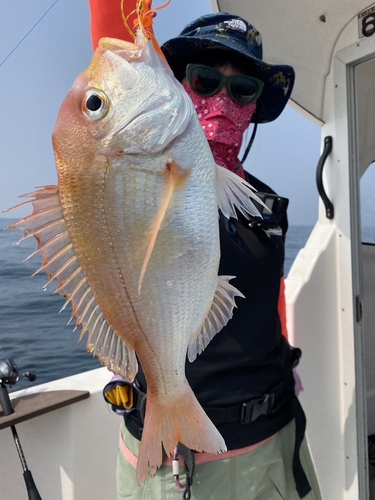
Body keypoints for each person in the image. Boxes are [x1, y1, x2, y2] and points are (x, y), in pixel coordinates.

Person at [89, 4, 322, 499]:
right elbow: (109, 78)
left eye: (242, 90)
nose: (222, 100)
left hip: (275, 441)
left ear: (255, 107)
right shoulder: (145, 178)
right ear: (175, 87)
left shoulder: (268, 207)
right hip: (174, 459)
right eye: (204, 80)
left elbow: (266, 303)